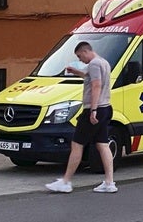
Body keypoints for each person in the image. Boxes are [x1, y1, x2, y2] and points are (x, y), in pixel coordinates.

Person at [45, 41, 117, 193]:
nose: (80, 60)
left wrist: (93, 110)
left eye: (79, 56)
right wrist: (76, 72)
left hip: (94, 109)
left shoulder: (94, 64)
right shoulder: (104, 63)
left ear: (85, 52)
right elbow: (90, 77)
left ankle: (66, 181)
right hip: (106, 107)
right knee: (103, 144)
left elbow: (96, 85)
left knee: (77, 144)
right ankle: (110, 182)